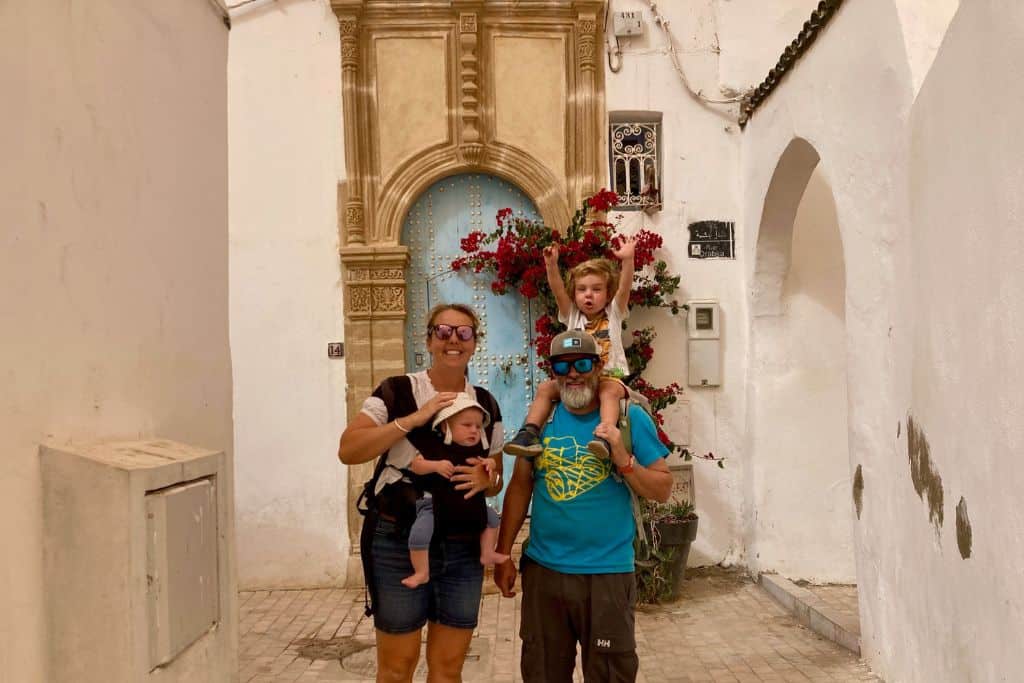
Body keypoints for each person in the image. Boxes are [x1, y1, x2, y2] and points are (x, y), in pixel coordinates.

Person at [494, 329, 673, 682]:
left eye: (582, 363)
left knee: (610, 675)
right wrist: (503, 554)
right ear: (552, 371)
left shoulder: (628, 419)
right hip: (545, 573)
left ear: (599, 366)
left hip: (607, 574)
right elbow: (519, 488)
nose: (573, 373)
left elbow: (663, 488)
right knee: (542, 673)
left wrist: (623, 459)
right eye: (562, 366)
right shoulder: (541, 421)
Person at [338, 303, 504, 683]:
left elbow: (496, 477)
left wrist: (487, 480)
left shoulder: (486, 404)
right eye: (443, 331)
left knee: (448, 670)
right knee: (397, 669)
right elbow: (349, 449)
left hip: (462, 548)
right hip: (398, 540)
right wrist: (413, 419)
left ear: (474, 344)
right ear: (429, 339)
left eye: (464, 333)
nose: (453, 340)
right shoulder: (396, 391)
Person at [504, 237, 636, 461]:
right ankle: (529, 433)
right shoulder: (572, 315)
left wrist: (628, 259)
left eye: (596, 289)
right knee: (546, 388)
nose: (588, 295)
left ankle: (604, 436)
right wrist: (551, 265)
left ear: (607, 293)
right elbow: (557, 291)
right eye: (582, 289)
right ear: (574, 294)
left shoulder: (614, 313)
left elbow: (625, 287)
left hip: (608, 377)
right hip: (577, 377)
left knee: (609, 393)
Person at [402, 394, 509, 588]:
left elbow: (494, 469)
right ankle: (421, 571)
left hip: (468, 506)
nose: (474, 431)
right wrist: (435, 466)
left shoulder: (477, 450)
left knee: (492, 519)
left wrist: (489, 464)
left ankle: (487, 552)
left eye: (478, 426)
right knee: (420, 533)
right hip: (435, 505)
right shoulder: (435, 447)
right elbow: (416, 465)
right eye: (466, 425)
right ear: (445, 426)